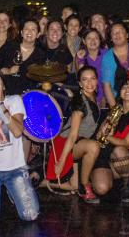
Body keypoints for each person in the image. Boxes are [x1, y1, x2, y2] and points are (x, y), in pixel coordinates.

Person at [0, 70, 39, 223]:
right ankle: (3, 190)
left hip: (15, 169)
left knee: (30, 215)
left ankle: (13, 190)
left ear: (3, 86)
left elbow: (17, 132)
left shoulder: (14, 100)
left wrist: (1, 107)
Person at [45, 66, 101, 203]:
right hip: (65, 144)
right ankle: (86, 186)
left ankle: (41, 181)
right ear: (80, 84)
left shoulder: (93, 96)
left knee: (73, 186)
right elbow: (72, 135)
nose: (90, 83)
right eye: (85, 80)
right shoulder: (80, 105)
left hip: (78, 143)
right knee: (93, 147)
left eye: (93, 79)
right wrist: (61, 161)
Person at [91, 79, 129, 203]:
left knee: (119, 150)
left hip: (124, 155)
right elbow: (98, 136)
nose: (127, 89)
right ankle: (108, 175)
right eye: (124, 87)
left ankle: (126, 185)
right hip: (106, 154)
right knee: (101, 188)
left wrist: (106, 136)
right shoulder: (114, 111)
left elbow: (126, 143)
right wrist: (104, 130)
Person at [0, 19, 45, 95]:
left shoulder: (40, 54)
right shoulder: (9, 47)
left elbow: (41, 79)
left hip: (27, 96)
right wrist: (4, 71)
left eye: (33, 29)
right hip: (4, 94)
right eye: (26, 29)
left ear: (38, 34)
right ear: (21, 32)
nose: (29, 32)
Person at [76, 28, 107, 106]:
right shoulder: (81, 55)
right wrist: (80, 60)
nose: (93, 41)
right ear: (84, 41)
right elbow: (82, 79)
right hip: (90, 94)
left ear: (100, 40)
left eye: (96, 38)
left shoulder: (107, 54)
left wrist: (104, 97)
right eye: (89, 38)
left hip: (108, 93)